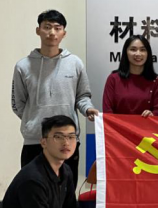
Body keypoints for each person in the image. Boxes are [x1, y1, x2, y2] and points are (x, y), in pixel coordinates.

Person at [12, 10, 99, 179]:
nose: (52, 32)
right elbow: (18, 103)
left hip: (67, 140)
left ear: (64, 33)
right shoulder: (23, 66)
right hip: (36, 140)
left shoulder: (75, 63)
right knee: (33, 187)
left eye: (57, 28)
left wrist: (88, 109)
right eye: (47, 27)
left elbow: (82, 96)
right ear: (38, 30)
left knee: (66, 188)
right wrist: (33, 120)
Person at [100, 35, 158, 208]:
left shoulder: (156, 81)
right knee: (119, 195)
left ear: (148, 53)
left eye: (142, 49)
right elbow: (107, 111)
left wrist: (151, 115)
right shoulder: (114, 78)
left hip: (145, 147)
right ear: (125, 53)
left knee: (141, 196)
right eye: (133, 49)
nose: (138, 54)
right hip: (118, 146)